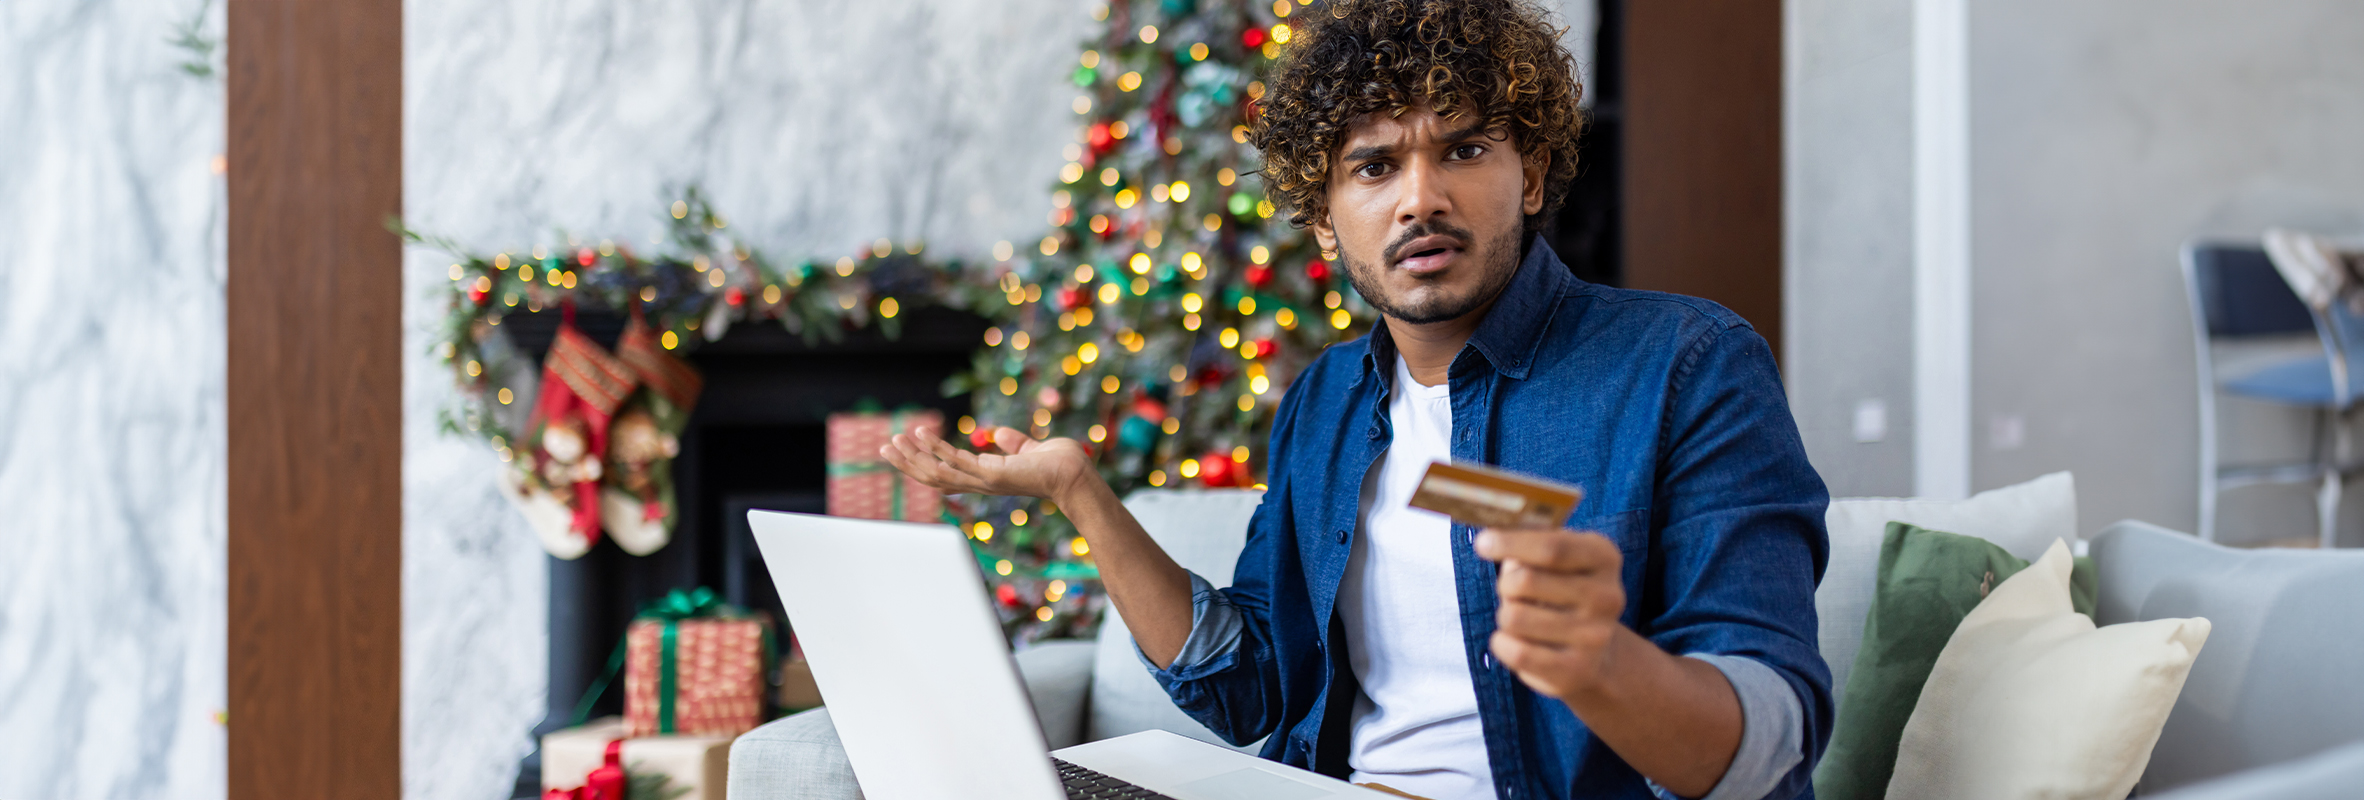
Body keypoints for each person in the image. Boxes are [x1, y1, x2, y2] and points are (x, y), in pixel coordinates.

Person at [878, 1, 1830, 797]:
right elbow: (1246, 685)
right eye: (1374, 167)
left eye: (1462, 150)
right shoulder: (1326, 402)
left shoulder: (1687, 363)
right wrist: (1078, 492)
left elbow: (1772, 737)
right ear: (1327, 225)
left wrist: (1600, 664)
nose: (1421, 198)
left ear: (1532, 175)